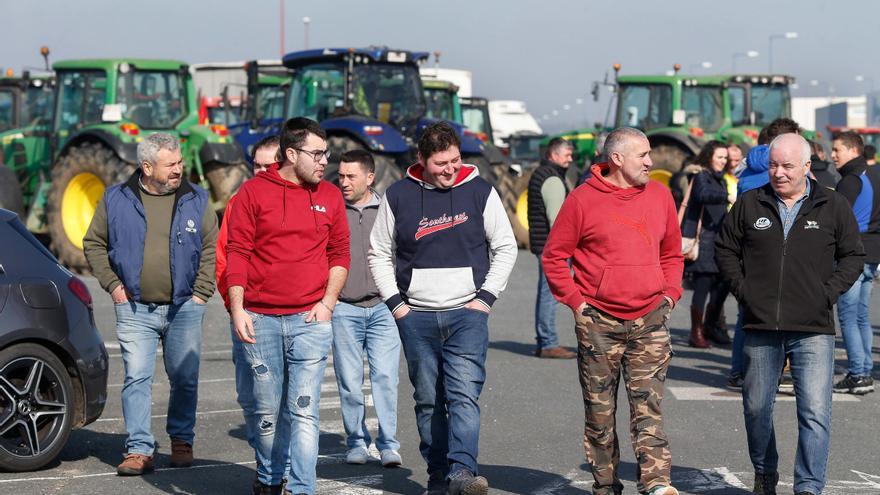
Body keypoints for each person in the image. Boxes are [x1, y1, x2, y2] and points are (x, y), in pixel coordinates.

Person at [369, 122, 517, 495]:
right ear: (421, 160)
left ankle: (462, 473)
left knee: (463, 394)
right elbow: (379, 253)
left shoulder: (481, 192)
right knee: (428, 400)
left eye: (454, 160)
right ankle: (438, 475)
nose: (449, 169)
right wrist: (397, 306)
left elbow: (506, 247)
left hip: (467, 315)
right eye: (440, 163)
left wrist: (484, 299)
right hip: (415, 316)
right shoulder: (398, 195)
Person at [715, 133, 864, 495]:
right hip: (761, 325)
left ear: (807, 167)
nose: (778, 173)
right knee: (755, 409)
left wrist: (825, 294)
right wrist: (744, 290)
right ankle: (765, 472)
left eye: (787, 166)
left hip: (812, 328)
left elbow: (853, 256)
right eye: (773, 166)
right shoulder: (751, 203)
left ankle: (809, 486)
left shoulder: (833, 205)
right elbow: (725, 249)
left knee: (814, 413)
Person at [543, 127, 683, 495]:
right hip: (599, 323)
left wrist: (670, 294)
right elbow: (555, 256)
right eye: (643, 156)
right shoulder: (582, 200)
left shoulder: (660, 195)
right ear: (617, 159)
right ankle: (605, 485)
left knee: (648, 409)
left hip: (651, 318)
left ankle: (656, 482)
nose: (651, 162)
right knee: (600, 415)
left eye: (650, 154)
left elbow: (671, 253)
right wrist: (576, 303)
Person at [226, 117, 350, 495]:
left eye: (326, 153)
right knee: (266, 415)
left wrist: (328, 302)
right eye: (316, 154)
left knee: (304, 411)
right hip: (260, 320)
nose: (323, 161)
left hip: (310, 320)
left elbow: (341, 252)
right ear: (291, 153)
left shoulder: (329, 195)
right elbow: (237, 252)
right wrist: (238, 308)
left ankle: (301, 489)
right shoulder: (252, 193)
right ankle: (268, 478)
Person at [83, 132, 218, 476]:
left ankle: (181, 440)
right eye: (170, 164)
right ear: (146, 166)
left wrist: (201, 293)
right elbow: (94, 243)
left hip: (185, 307)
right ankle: (139, 449)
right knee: (137, 378)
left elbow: (212, 249)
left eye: (180, 162)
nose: (179, 169)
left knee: (185, 378)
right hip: (134, 308)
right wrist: (113, 286)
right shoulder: (116, 199)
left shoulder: (197, 199)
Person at [215, 136, 290, 491]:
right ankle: (267, 458)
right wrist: (235, 307)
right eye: (255, 165)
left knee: (284, 400)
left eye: (267, 165)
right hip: (246, 315)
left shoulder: (296, 200)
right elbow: (225, 258)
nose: (260, 172)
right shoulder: (240, 201)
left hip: (285, 316)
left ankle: (279, 472)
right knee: (251, 398)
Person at [332, 149, 403, 466]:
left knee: (386, 378)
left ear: (369, 177)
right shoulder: (332, 209)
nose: (343, 182)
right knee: (349, 382)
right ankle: (356, 443)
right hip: (344, 309)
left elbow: (403, 254)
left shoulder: (387, 210)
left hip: (383, 308)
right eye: (341, 175)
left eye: (351, 176)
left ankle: (388, 444)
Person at [727, 118, 801, 389]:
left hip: (749, 245)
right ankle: (769, 372)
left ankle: (738, 370)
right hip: (772, 246)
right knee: (775, 314)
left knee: (745, 313)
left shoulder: (748, 163)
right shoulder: (780, 169)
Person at [831, 130, 880, 394]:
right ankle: (865, 371)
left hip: (854, 254)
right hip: (872, 253)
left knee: (849, 316)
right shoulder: (872, 174)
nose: (833, 155)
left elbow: (838, 221)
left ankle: (858, 373)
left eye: (837, 149)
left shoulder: (851, 180)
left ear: (853, 150)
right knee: (860, 316)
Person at [681, 141, 734, 348]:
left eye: (725, 158)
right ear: (709, 156)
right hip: (703, 240)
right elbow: (703, 195)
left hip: (719, 240)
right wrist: (726, 196)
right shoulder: (701, 176)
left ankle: (710, 326)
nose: (723, 161)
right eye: (719, 157)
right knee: (703, 286)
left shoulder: (720, 179)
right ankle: (696, 332)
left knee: (723, 283)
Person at [527, 137, 577, 358]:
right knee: (549, 294)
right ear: (554, 155)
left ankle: (545, 340)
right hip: (553, 247)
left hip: (543, 244)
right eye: (567, 155)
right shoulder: (553, 179)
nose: (570, 159)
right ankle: (548, 342)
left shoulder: (543, 174)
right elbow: (558, 220)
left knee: (545, 293)